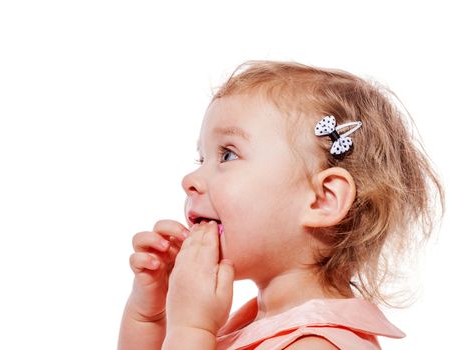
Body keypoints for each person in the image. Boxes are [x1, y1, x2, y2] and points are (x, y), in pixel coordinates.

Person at [117, 60, 445, 349]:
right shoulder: (249, 325)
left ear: (323, 199)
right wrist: (152, 315)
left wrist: (191, 328)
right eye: (201, 157)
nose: (190, 178)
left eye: (228, 154)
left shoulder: (317, 344)